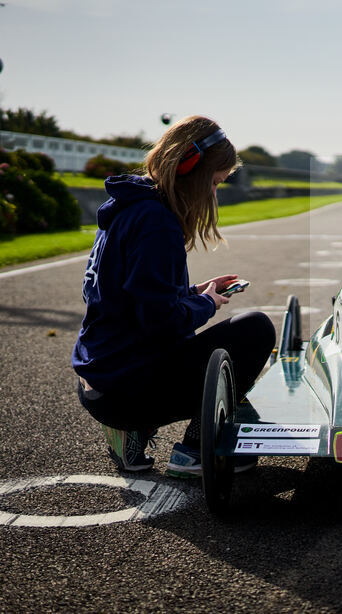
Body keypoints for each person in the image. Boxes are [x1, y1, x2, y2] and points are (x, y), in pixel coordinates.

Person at [72, 115, 276, 477]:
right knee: (254, 329)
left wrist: (194, 291)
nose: (214, 193)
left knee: (228, 330)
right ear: (192, 170)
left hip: (100, 381)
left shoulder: (129, 208)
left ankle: (129, 431)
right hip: (126, 388)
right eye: (215, 182)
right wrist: (207, 304)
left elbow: (128, 295)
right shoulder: (156, 223)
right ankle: (194, 452)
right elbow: (160, 321)